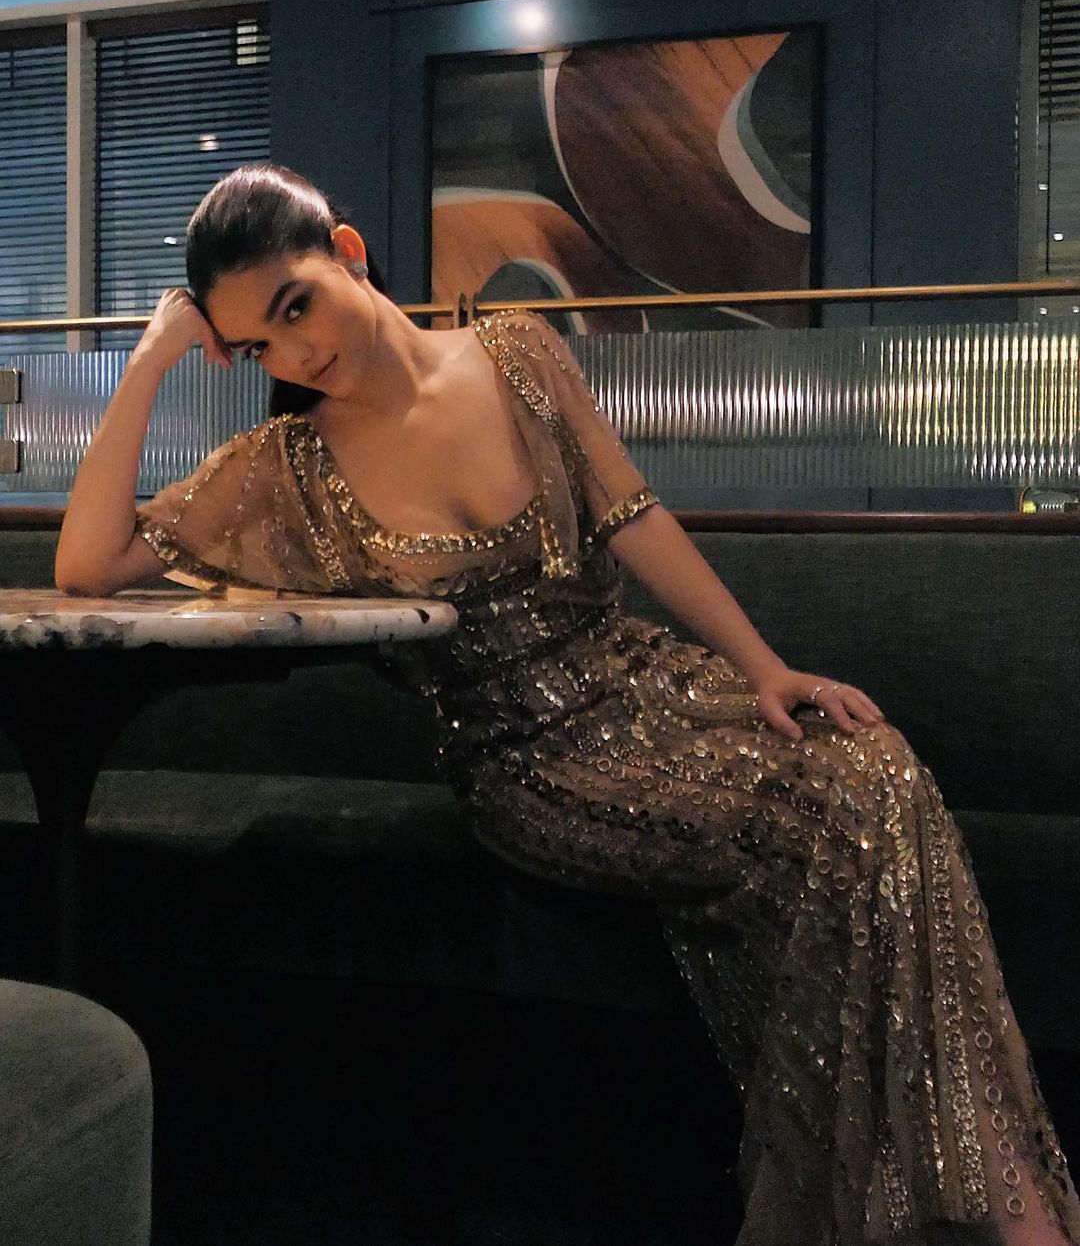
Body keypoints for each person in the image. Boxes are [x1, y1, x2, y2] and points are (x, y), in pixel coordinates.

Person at [55, 164, 1079, 1246]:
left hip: (651, 685)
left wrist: (765, 667)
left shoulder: (519, 352)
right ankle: (999, 1209)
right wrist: (151, 360)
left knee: (877, 762)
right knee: (833, 819)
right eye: (258, 344)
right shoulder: (284, 469)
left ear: (348, 253)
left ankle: (977, 1190)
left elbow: (634, 518)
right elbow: (87, 563)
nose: (296, 353)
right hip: (530, 765)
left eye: (295, 305)